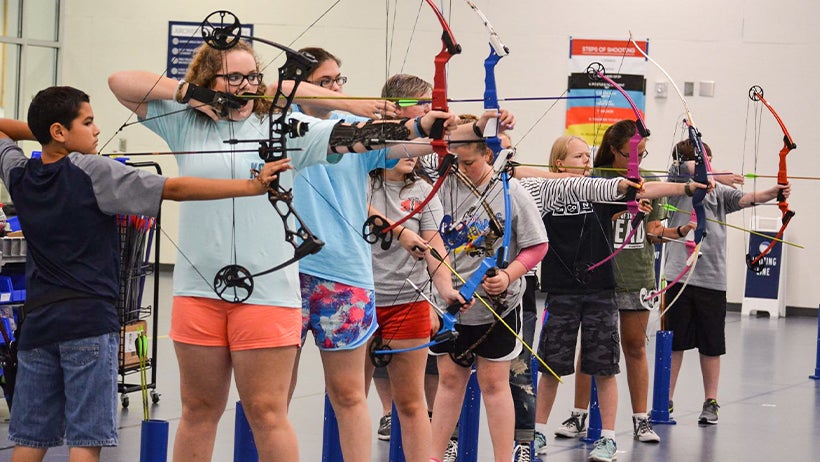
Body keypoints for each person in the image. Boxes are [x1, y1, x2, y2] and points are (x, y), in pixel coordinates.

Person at [108, 41, 456, 462]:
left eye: (253, 75)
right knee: (198, 411)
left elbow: (357, 137)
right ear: (209, 80)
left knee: (268, 412)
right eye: (234, 77)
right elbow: (120, 83)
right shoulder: (186, 122)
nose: (247, 85)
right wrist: (190, 94)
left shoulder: (283, 126)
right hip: (198, 290)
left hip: (268, 294)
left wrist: (420, 128)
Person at [0, 86, 287, 462]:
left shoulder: (18, 173)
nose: (97, 129)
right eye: (87, 122)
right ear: (59, 131)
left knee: (31, 438)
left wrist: (39, 132)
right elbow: (177, 188)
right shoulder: (92, 170)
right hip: (89, 325)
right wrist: (251, 186)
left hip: (37, 325)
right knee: (86, 439)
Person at [289, 48, 494, 462]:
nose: (337, 89)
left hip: (345, 277)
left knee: (353, 396)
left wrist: (468, 126)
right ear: (300, 84)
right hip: (287, 273)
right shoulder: (282, 127)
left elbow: (416, 142)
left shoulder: (358, 130)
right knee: (274, 398)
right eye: (325, 81)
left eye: (339, 80)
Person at [519, 134, 701, 462]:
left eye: (588, 157)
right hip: (561, 292)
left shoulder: (597, 189)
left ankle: (607, 438)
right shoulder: (541, 192)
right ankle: (539, 431)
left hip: (601, 292)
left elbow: (642, 189)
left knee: (604, 367)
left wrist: (684, 188)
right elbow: (516, 174)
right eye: (579, 157)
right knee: (551, 366)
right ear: (560, 162)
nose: (588, 162)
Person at [553, 119, 692, 444]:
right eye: (632, 154)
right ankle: (578, 414)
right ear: (614, 150)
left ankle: (641, 420)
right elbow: (588, 218)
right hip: (598, 275)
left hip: (637, 276)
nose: (638, 161)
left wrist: (679, 232)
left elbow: (654, 233)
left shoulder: (649, 182)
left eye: (643, 154)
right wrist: (622, 205)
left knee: (634, 347)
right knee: (591, 348)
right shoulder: (594, 179)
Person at [424, 115, 549, 462]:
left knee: (495, 386)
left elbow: (537, 246)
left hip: (497, 306)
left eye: (469, 162)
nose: (461, 169)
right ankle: (433, 455)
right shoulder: (442, 185)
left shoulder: (511, 192)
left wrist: (509, 276)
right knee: (450, 382)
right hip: (451, 304)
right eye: (455, 161)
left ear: (489, 155)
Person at [664, 139, 789, 425]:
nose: (708, 165)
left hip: (712, 280)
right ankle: (664, 399)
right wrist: (713, 173)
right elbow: (682, 170)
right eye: (703, 160)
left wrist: (776, 192)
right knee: (674, 343)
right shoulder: (678, 185)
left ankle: (710, 402)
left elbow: (746, 199)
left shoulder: (718, 192)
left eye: (710, 158)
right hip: (678, 277)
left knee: (711, 345)